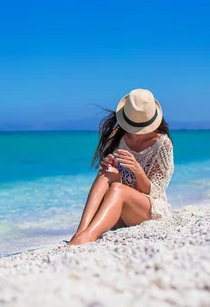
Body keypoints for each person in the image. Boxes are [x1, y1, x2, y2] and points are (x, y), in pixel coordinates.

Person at [68, 88, 174, 245]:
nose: (134, 133)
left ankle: (89, 236)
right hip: (118, 209)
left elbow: (156, 192)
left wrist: (138, 170)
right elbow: (113, 176)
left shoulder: (162, 144)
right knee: (106, 173)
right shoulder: (117, 136)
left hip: (148, 209)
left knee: (118, 189)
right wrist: (106, 164)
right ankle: (80, 233)